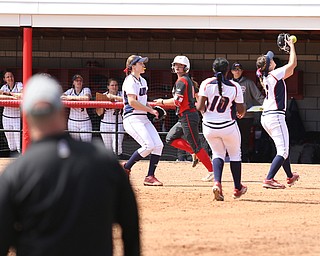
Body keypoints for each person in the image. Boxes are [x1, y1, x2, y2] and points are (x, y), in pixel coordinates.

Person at [0, 74, 140, 256]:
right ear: (60, 110)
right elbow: (130, 227)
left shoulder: (15, 173)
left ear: (26, 114)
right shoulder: (104, 161)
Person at [154, 55, 213, 181]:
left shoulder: (182, 81)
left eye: (181, 66)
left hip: (188, 116)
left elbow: (177, 101)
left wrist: (162, 102)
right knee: (170, 138)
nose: (177, 67)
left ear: (186, 67)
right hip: (184, 116)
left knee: (197, 145)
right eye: (176, 65)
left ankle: (212, 170)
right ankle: (194, 152)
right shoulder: (186, 80)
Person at [197, 57, 247, 201]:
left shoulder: (206, 83)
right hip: (228, 126)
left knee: (217, 153)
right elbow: (240, 109)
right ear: (227, 71)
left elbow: (200, 107)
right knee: (235, 155)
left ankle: (217, 183)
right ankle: (237, 188)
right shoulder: (234, 86)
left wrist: (208, 114)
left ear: (213, 69)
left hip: (209, 126)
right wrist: (241, 113)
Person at [256, 37, 300, 189]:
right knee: (283, 150)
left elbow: (290, 70)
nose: (272, 59)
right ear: (269, 65)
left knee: (282, 147)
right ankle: (269, 179)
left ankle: (289, 176)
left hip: (267, 117)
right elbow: (293, 64)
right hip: (275, 116)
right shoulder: (274, 74)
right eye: (270, 59)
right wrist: (292, 46)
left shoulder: (266, 76)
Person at [121, 55, 164, 186]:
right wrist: (150, 110)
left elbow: (143, 102)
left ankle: (150, 176)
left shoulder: (143, 81)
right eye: (141, 63)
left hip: (143, 117)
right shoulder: (130, 81)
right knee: (148, 146)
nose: (143, 65)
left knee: (158, 145)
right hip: (132, 118)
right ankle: (126, 167)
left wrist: (153, 109)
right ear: (133, 66)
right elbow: (132, 102)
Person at [231, 62, 265, 162]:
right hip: (232, 117)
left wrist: (268, 105)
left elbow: (258, 96)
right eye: (235, 69)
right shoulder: (229, 83)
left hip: (246, 116)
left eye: (239, 69)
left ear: (242, 71)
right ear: (231, 71)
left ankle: (244, 160)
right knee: (233, 140)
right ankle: (233, 159)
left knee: (244, 140)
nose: (237, 71)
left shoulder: (248, 83)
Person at [96, 78, 124, 157]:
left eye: (116, 85)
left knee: (117, 147)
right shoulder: (103, 95)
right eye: (112, 85)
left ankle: (118, 164)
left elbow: (128, 100)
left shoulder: (121, 94)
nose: (114, 87)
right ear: (108, 86)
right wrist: (103, 104)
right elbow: (99, 113)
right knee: (108, 148)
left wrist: (114, 98)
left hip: (118, 123)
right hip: (105, 124)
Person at [61, 74, 92, 142]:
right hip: (73, 122)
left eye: (80, 80)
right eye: (76, 80)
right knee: (74, 145)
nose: (78, 82)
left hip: (85, 122)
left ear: (82, 82)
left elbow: (86, 98)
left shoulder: (86, 90)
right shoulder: (70, 91)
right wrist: (68, 97)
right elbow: (62, 97)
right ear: (73, 82)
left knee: (86, 144)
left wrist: (71, 98)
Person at [0, 71, 23, 156]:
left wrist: (8, 94)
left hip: (16, 117)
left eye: (11, 76)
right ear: (4, 79)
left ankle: (19, 159)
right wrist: (13, 96)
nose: (10, 78)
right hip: (6, 117)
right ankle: (11, 159)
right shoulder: (4, 87)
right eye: (8, 77)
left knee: (18, 142)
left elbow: (22, 94)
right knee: (10, 143)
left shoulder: (19, 84)